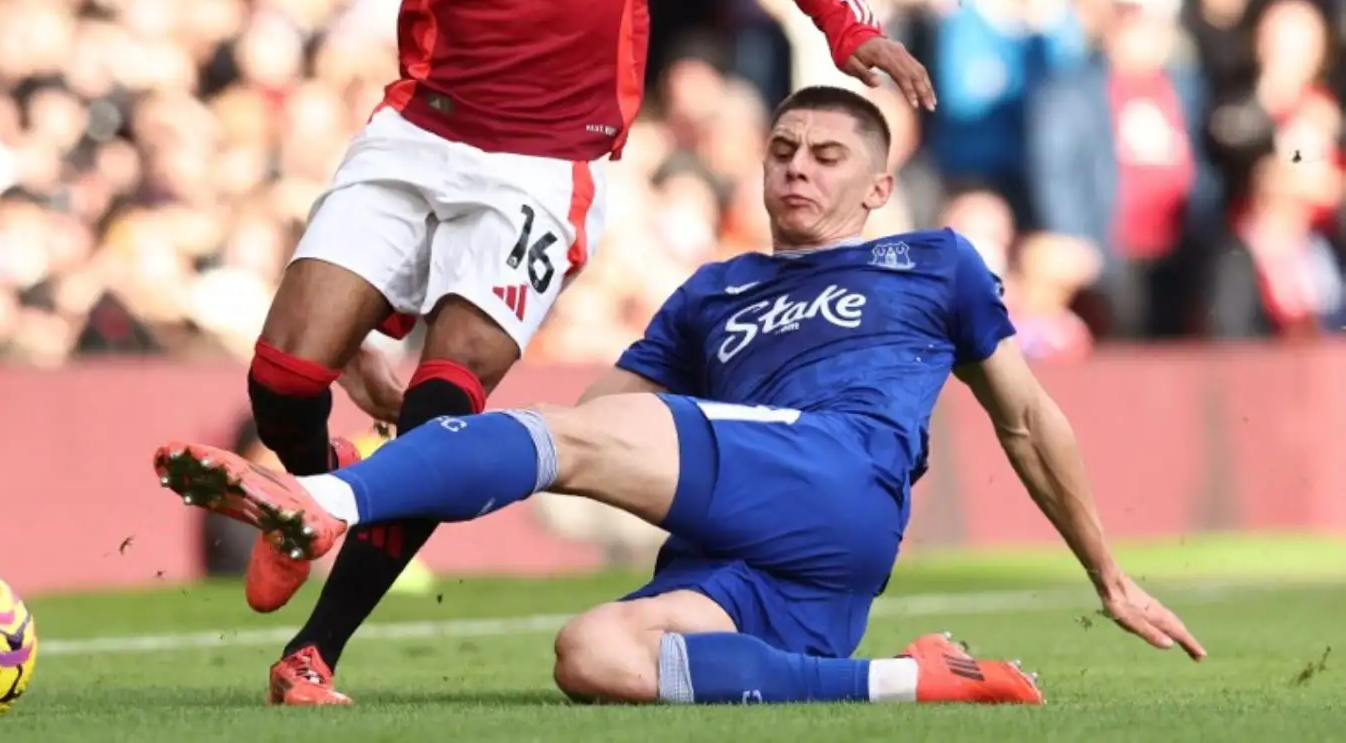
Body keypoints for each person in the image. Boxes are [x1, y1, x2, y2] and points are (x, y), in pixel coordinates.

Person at [0, 0, 935, 706]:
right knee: (283, 379)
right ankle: (320, 493)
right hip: (419, 130)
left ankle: (313, 652)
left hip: (546, 164)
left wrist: (849, 22)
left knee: (443, 402)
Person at [157, 86, 1206, 708]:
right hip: (778, 575)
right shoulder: (717, 289)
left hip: (840, 477)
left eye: (827, 156)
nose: (797, 169)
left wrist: (1108, 572)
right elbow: (579, 435)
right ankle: (917, 677)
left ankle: (324, 503)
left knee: (565, 440)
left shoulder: (933, 261)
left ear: (877, 187)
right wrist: (407, 411)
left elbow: (1025, 416)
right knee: (593, 655)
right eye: (783, 151)